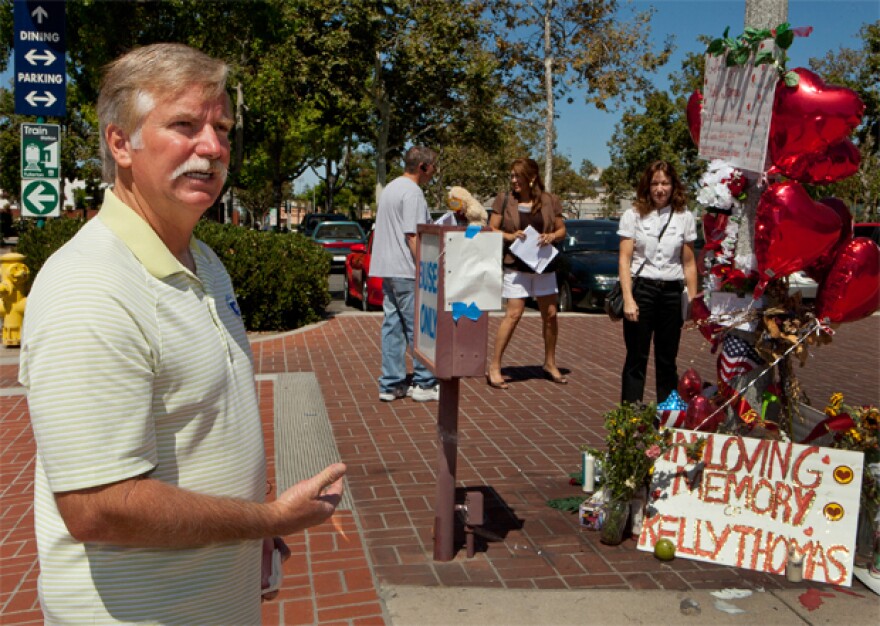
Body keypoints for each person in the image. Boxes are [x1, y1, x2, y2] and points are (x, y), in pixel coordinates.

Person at [19, 43, 346, 624]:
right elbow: (99, 507)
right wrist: (269, 520)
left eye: (221, 128)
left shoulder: (203, 261)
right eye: (185, 125)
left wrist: (251, 542)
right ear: (120, 143)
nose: (214, 147)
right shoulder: (89, 285)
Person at [617, 160, 698, 405]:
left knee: (667, 359)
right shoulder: (632, 215)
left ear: (674, 186)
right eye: (655, 183)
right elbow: (624, 259)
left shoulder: (685, 217)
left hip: (671, 293)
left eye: (665, 183)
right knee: (636, 358)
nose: (660, 189)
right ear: (647, 186)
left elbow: (689, 263)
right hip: (643, 290)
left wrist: (693, 301)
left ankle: (668, 417)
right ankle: (629, 418)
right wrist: (628, 298)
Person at [486, 158, 567, 389]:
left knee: (550, 314)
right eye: (511, 176)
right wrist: (510, 236)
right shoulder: (504, 200)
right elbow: (491, 228)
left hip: (543, 265)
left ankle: (550, 363)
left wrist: (552, 236)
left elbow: (562, 229)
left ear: (531, 178)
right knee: (513, 314)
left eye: (517, 176)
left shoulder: (550, 201)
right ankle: (494, 366)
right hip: (516, 266)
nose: (513, 181)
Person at [371, 146, 439, 402]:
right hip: (406, 269)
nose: (434, 171)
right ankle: (424, 383)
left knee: (393, 326)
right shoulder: (412, 193)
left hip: (387, 267)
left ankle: (391, 384)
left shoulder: (391, 188)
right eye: (433, 166)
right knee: (417, 327)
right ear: (423, 167)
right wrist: (425, 266)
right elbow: (412, 235)